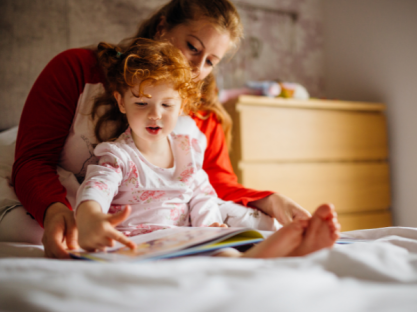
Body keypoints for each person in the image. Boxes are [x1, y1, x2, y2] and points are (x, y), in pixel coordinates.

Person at [7, 0, 312, 259]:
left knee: (249, 218)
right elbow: (33, 159)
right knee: (39, 227)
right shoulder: (75, 69)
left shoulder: (200, 114)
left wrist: (272, 201)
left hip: (164, 209)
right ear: (162, 28)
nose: (197, 69)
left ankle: (276, 249)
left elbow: (213, 182)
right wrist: (54, 211)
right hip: (74, 196)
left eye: (210, 62)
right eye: (193, 47)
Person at [75, 38, 340, 255]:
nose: (155, 114)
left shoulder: (185, 148)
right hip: (139, 243)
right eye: (142, 104)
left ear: (181, 105)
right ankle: (273, 254)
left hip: (187, 239)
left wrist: (209, 227)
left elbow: (201, 195)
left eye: (167, 105)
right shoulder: (119, 155)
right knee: (223, 258)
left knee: (222, 249)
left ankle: (284, 252)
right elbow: (97, 187)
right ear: (122, 103)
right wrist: (90, 218)